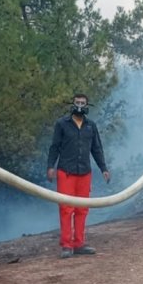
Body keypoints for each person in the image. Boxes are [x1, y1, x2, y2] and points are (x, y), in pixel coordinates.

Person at [46, 93, 111, 258]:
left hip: (84, 172)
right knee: (66, 209)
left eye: (83, 103)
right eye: (77, 102)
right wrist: (50, 167)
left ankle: (79, 243)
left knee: (82, 209)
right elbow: (54, 147)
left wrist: (103, 168)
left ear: (88, 105)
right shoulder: (62, 124)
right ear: (72, 104)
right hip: (65, 172)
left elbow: (97, 149)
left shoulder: (91, 126)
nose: (80, 105)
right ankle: (66, 245)